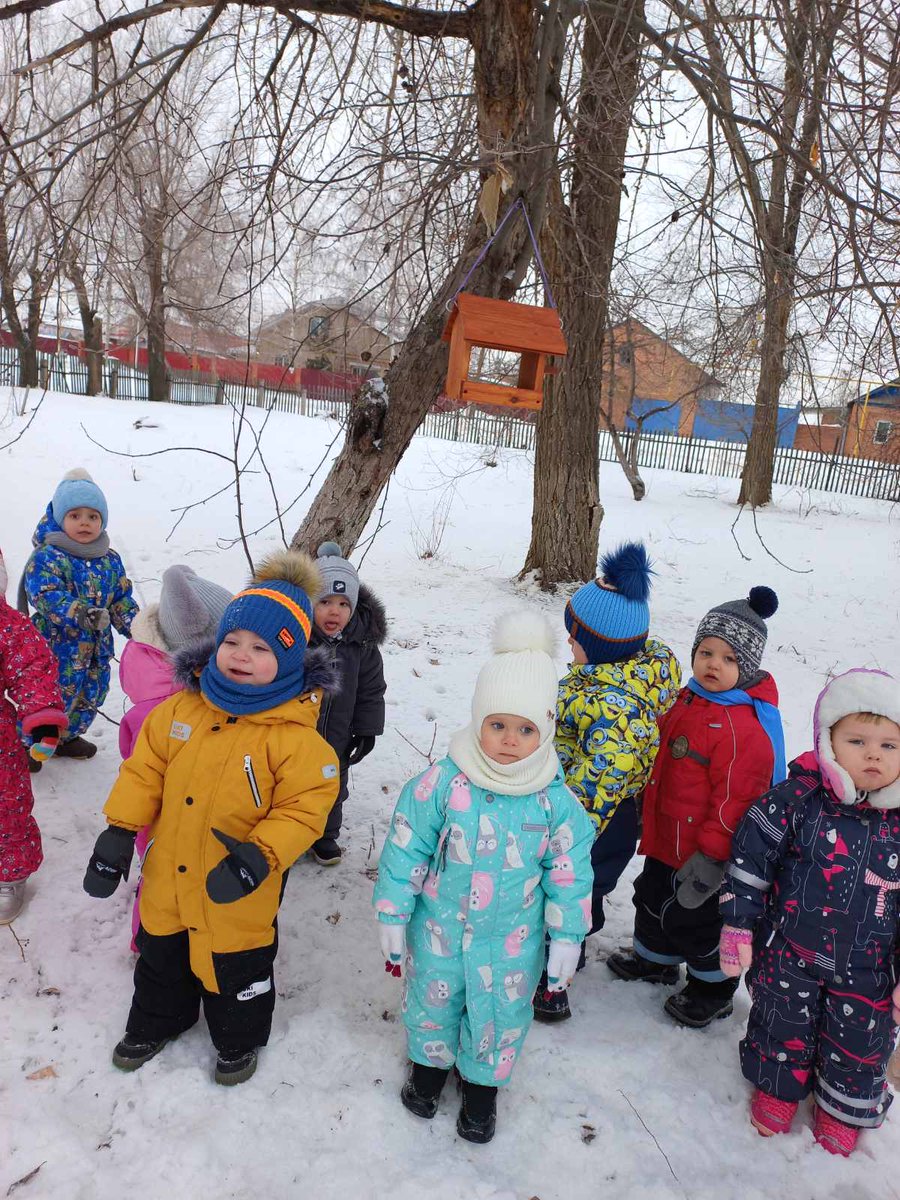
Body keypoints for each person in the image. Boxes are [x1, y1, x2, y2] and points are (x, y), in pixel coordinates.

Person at [82, 550, 340, 1086]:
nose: (241, 655)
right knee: (161, 959)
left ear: (290, 661)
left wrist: (258, 856)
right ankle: (160, 1020)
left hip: (238, 888)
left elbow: (304, 810)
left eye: (261, 648)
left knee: (237, 967)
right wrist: (118, 829)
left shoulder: (297, 740)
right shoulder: (180, 710)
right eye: (231, 641)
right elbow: (144, 771)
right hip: (169, 879)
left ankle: (238, 1039)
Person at [374, 612, 594, 1144]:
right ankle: (427, 1071)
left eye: (525, 730)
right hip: (440, 931)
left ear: (543, 732)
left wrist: (567, 935)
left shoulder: (555, 803)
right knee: (433, 1000)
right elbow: (408, 847)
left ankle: (480, 1089)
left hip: (509, 943)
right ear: (477, 720)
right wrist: (393, 911)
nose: (510, 741)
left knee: (498, 1014)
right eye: (497, 725)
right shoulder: (443, 784)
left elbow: (569, 873)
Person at [720, 668, 900, 1157]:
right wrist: (739, 924)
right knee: (782, 1019)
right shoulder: (799, 800)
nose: (872, 755)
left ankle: (842, 1107)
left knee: (861, 1041)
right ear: (828, 742)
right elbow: (752, 857)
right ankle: (778, 1086)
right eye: (858, 740)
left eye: (888, 746)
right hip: (792, 948)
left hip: (871, 968)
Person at [608, 587, 783, 1029]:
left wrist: (713, 855)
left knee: (700, 921)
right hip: (666, 837)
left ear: (747, 668)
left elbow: (737, 800)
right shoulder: (686, 700)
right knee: (652, 900)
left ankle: (712, 989)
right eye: (706, 652)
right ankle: (655, 960)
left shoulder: (743, 727)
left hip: (705, 855)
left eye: (728, 659)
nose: (713, 665)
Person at [534, 542, 681, 1021]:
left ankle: (556, 979)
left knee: (572, 895)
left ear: (596, 644)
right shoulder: (615, 678)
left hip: (595, 824)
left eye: (573, 638)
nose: (569, 646)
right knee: (572, 894)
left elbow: (601, 779)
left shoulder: (613, 704)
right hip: (600, 814)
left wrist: (563, 831)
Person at [119, 564, 233, 949]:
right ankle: (147, 941)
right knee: (161, 879)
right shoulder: (163, 706)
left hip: (195, 808)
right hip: (163, 814)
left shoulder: (187, 687)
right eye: (228, 643)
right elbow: (143, 773)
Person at [22, 468, 137, 761]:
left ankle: (67, 737)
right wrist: (80, 613)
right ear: (61, 519)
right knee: (49, 697)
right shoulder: (48, 556)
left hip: (97, 651)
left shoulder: (110, 560)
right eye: (75, 516)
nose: (84, 522)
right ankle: (27, 744)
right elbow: (44, 595)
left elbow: (120, 598)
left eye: (93, 516)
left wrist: (137, 626)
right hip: (56, 648)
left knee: (91, 694)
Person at [308, 541, 387, 865]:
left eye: (344, 603)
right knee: (286, 783)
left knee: (332, 785)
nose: (334, 611)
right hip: (295, 733)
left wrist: (366, 730)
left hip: (337, 734)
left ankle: (325, 837)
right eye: (325, 601)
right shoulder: (298, 639)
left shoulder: (362, 647)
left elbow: (371, 690)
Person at [0, 548, 68, 923]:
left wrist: (41, 717)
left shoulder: (8, 626)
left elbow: (32, 669)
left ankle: (9, 874)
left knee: (7, 808)